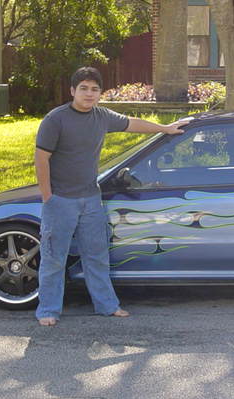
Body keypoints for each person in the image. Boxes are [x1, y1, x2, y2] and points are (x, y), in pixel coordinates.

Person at [34, 66, 185, 326]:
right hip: (60, 201)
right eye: (83, 88)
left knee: (97, 256)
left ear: (100, 93)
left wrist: (165, 128)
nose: (89, 94)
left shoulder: (102, 117)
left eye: (94, 89)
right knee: (54, 259)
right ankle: (48, 310)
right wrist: (49, 197)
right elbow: (41, 159)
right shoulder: (55, 119)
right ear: (72, 91)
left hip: (91, 200)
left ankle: (107, 306)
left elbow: (133, 124)